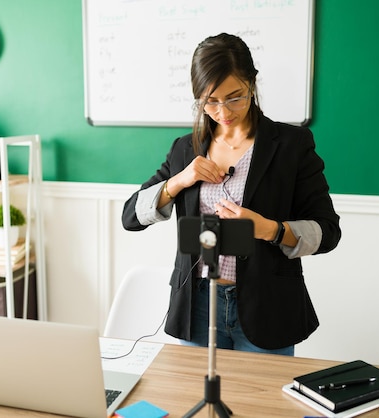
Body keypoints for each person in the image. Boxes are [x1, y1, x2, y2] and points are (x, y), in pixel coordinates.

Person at [122, 33, 341, 355]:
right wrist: (178, 181)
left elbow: (328, 232)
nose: (223, 111)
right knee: (195, 397)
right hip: (196, 304)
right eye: (210, 101)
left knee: (261, 403)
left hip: (267, 307)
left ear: (252, 84)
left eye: (234, 97)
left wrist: (270, 229)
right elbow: (130, 217)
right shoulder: (186, 149)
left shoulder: (292, 145)